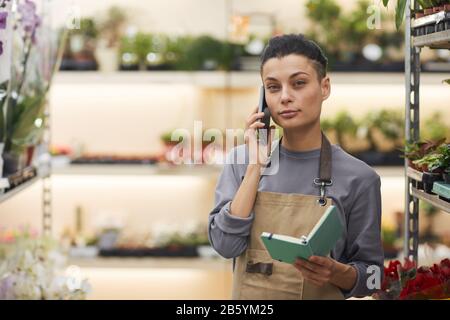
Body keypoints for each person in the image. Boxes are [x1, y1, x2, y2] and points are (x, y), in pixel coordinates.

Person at [207, 34, 383, 300]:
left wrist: (337, 273)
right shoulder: (241, 162)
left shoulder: (360, 178)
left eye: (299, 83)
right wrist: (256, 167)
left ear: (324, 87)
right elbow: (225, 245)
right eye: (273, 87)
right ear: (263, 98)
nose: (285, 97)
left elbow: (374, 277)